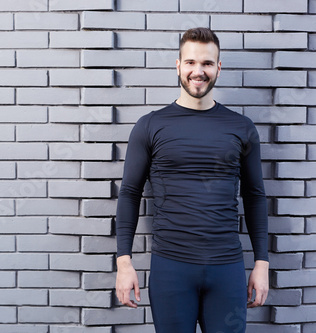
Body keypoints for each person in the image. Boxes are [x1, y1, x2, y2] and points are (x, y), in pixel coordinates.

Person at [115, 27, 269, 333]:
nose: (198, 72)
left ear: (218, 68)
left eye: (207, 64)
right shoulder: (150, 126)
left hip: (227, 268)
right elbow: (130, 193)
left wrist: (261, 263)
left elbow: (255, 196)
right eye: (190, 63)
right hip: (171, 268)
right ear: (178, 65)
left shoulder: (241, 128)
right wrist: (124, 262)